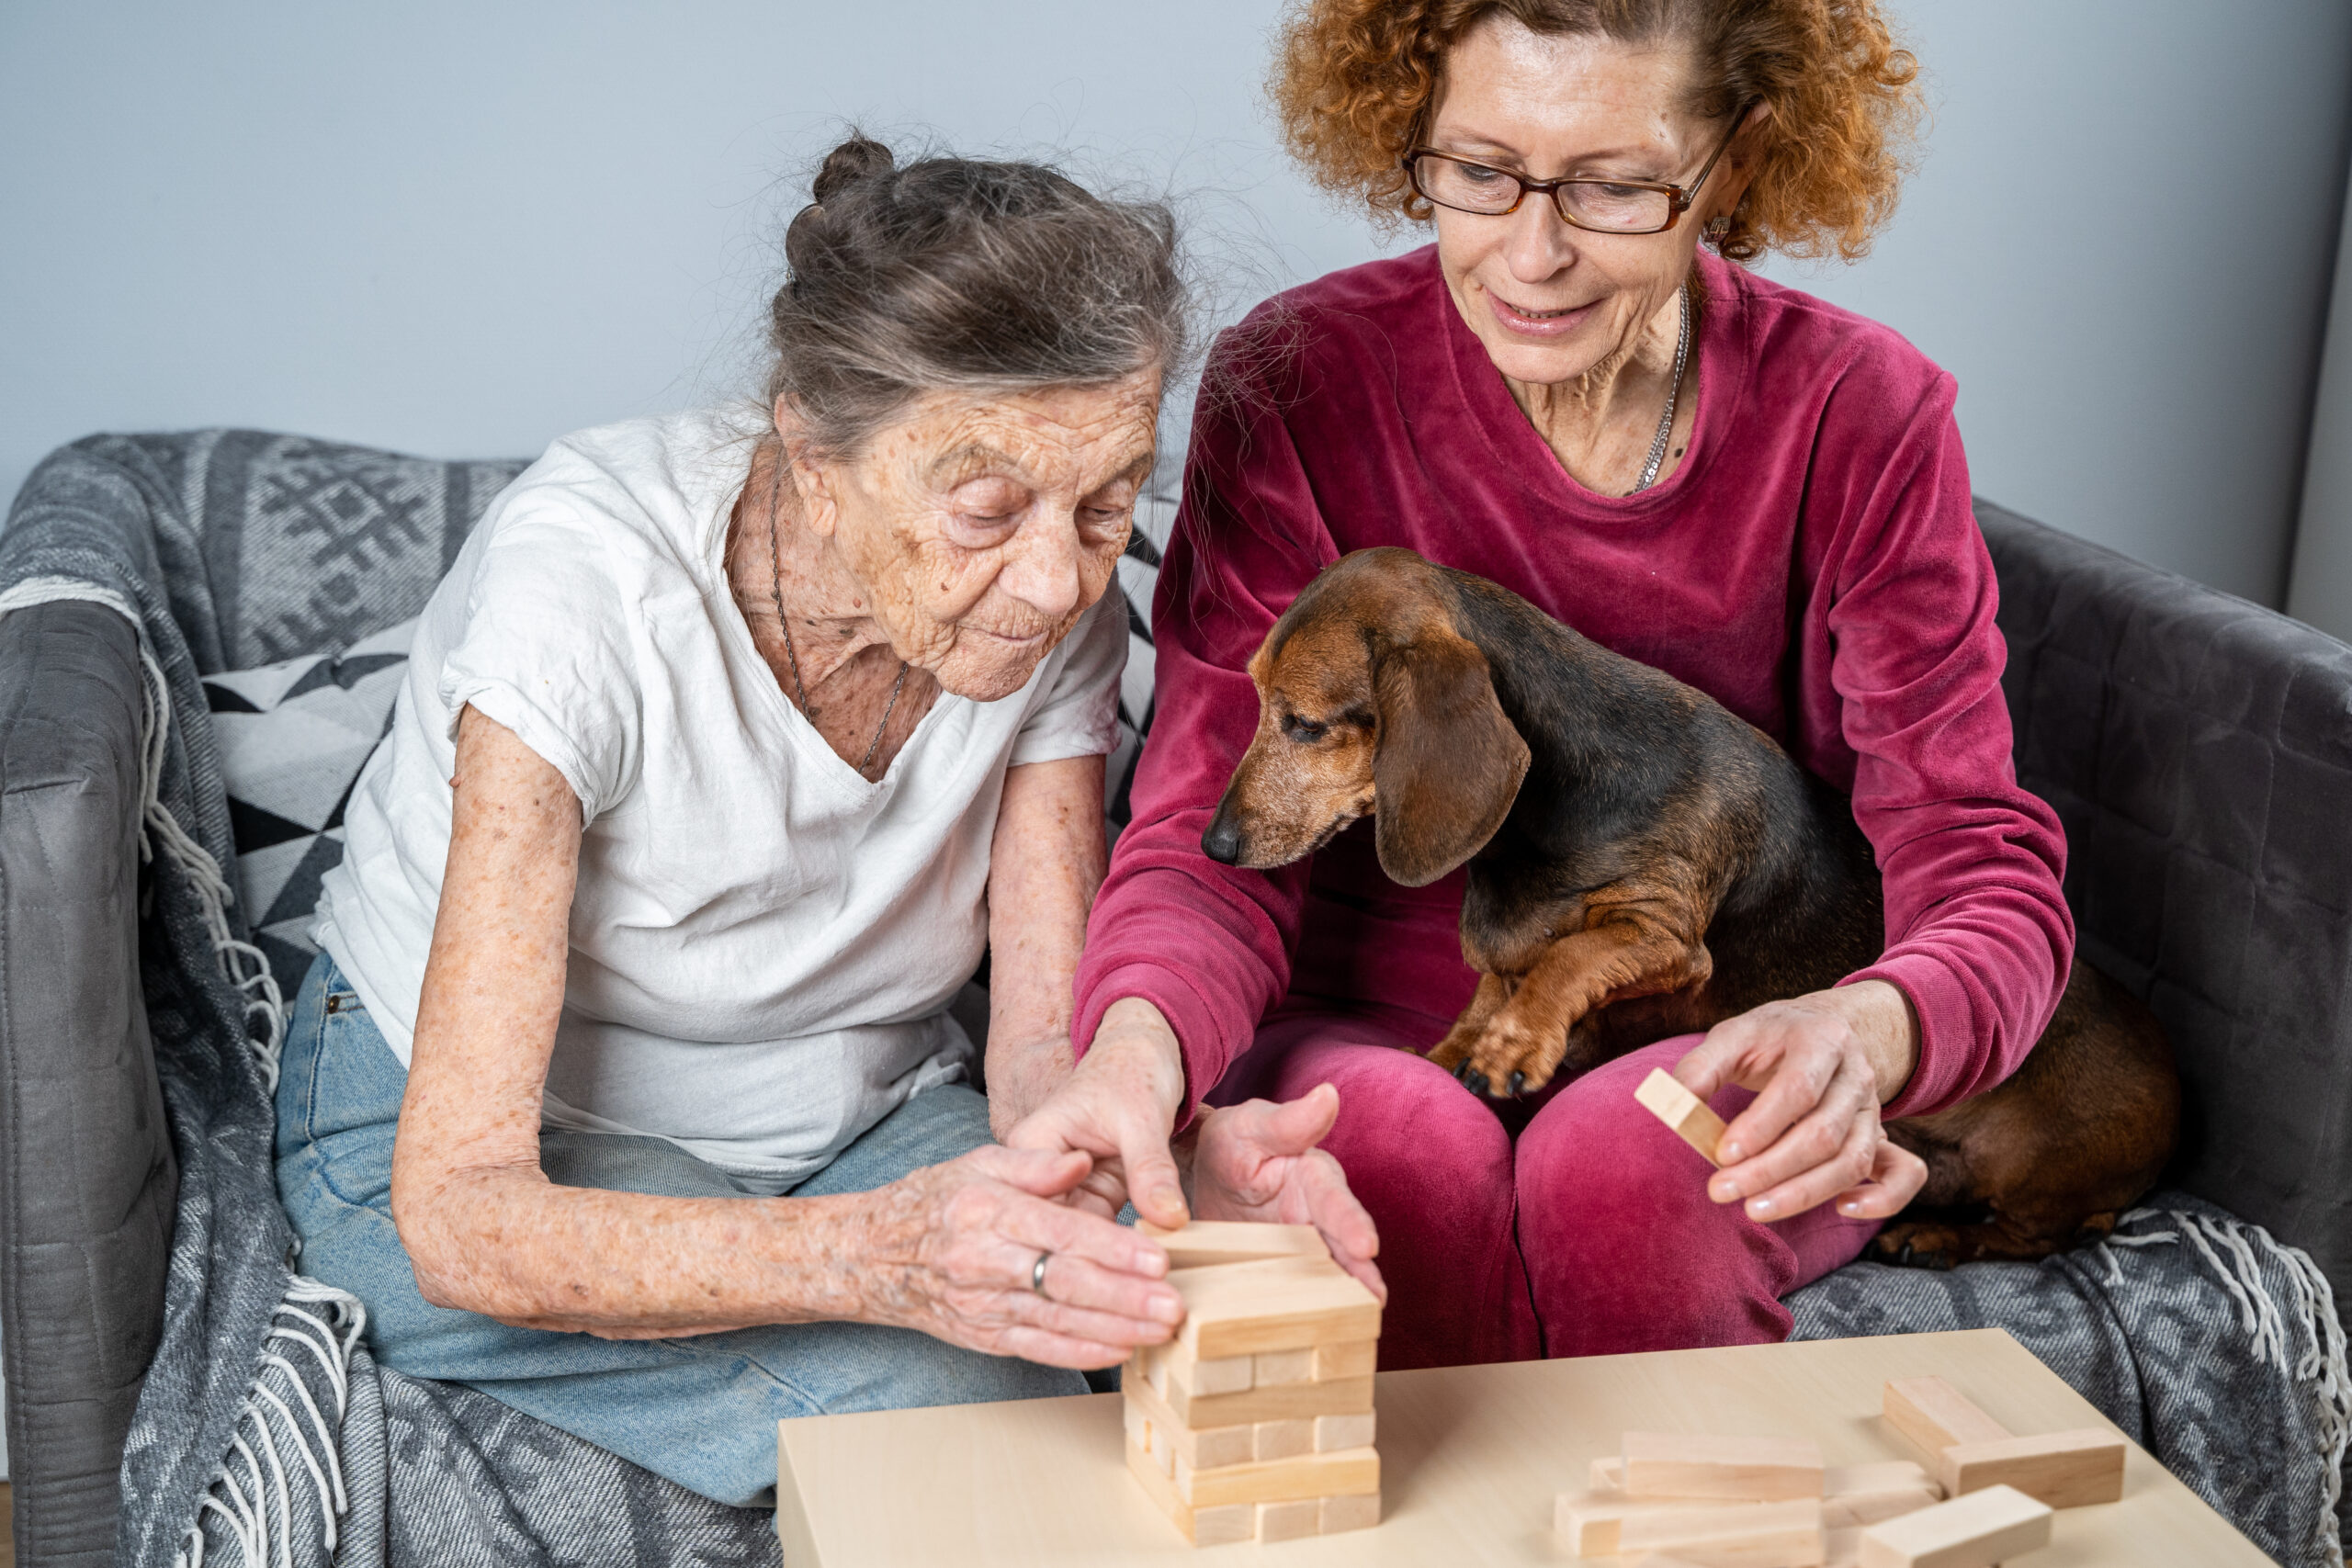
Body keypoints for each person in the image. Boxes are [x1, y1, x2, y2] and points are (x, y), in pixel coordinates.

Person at [273, 135, 1381, 1510]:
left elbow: (1037, 1050)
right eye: (986, 508)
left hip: (848, 1116)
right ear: (812, 449)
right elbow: (460, 1216)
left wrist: (1161, 1172)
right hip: (512, 1145)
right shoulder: (582, 596)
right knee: (994, 1423)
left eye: (1105, 503)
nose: (1052, 580)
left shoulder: (1051, 607)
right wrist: (881, 1260)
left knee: (1135, 1305)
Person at [1001, 0, 2074, 1370]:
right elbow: (1204, 839)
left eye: (1617, 187)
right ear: (1412, 134)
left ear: (1735, 166)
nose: (1534, 251)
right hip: (1366, 1032)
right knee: (1402, 1161)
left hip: (1694, 1022)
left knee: (1634, 1174)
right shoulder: (1301, 380)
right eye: (1478, 169)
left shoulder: (1862, 413)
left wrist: (1875, 1029)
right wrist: (1133, 1065)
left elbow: (1977, 864)